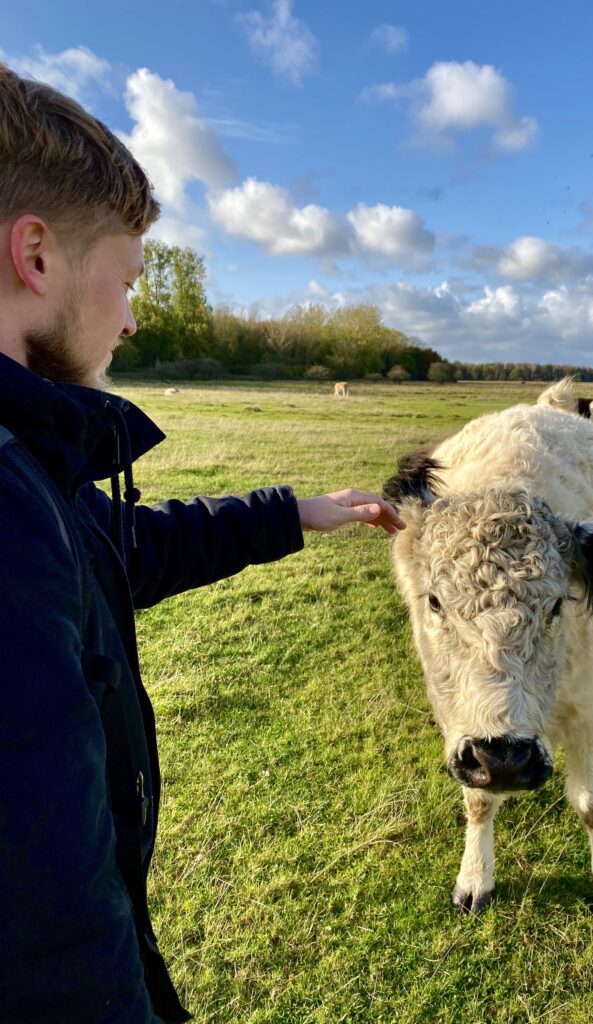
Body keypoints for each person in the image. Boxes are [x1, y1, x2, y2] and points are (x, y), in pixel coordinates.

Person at [0, 63, 405, 1024]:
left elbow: (121, 552)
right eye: (128, 279)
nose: (133, 317)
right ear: (38, 257)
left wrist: (293, 512)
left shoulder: (28, 470)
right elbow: (50, 922)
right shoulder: (6, 506)